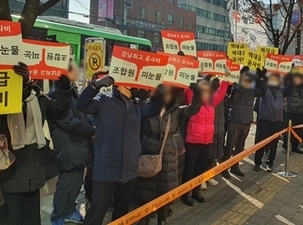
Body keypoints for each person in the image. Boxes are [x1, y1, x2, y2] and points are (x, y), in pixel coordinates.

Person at [77, 73, 164, 224]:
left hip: (129, 170)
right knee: (96, 214)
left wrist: (160, 96)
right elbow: (82, 105)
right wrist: (94, 85)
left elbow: (152, 110)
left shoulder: (137, 105)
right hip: (106, 170)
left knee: (122, 215)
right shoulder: (104, 100)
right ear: (126, 84)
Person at [0, 63, 72, 225]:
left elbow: (59, 107)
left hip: (33, 172)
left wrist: (66, 86)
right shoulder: (5, 100)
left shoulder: (39, 98)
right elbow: (15, 107)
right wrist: (21, 88)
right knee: (11, 219)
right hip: (10, 173)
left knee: (32, 219)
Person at [138, 83, 202, 225]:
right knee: (146, 188)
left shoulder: (176, 110)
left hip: (168, 152)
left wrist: (197, 94)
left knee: (166, 189)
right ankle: (144, 218)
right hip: (149, 150)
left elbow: (193, 109)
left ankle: (162, 219)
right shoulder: (145, 106)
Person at [47, 60, 96, 225]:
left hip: (77, 146)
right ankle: (57, 215)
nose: (77, 71)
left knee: (75, 182)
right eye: (73, 69)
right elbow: (68, 122)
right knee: (66, 182)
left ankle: (68, 210)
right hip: (68, 147)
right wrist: (92, 130)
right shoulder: (56, 94)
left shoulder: (71, 91)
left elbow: (80, 114)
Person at [181, 75, 229, 206]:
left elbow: (222, 92)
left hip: (206, 141)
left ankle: (196, 191)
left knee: (200, 169)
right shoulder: (194, 100)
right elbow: (189, 91)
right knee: (189, 169)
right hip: (193, 141)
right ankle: (185, 194)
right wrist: (195, 87)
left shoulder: (212, 102)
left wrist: (226, 80)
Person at [222, 68, 266, 178]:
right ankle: (224, 168)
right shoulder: (236, 85)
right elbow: (229, 102)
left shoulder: (252, 87)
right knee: (230, 145)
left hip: (246, 121)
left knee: (240, 147)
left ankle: (234, 166)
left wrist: (262, 78)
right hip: (235, 119)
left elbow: (262, 91)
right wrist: (235, 90)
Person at [253, 72, 294, 172]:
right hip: (265, 119)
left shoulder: (281, 89)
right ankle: (257, 162)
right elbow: (256, 88)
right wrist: (260, 76)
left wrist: (290, 77)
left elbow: (290, 90)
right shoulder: (264, 88)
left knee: (274, 144)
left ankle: (270, 163)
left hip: (277, 120)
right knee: (261, 142)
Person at [202, 77, 228, 189]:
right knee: (205, 156)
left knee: (214, 156)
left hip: (220, 128)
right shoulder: (207, 95)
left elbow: (228, 100)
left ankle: (209, 176)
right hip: (209, 129)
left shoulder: (221, 93)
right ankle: (201, 179)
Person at [283, 66, 303, 154]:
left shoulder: (302, 85)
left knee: (299, 130)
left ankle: (295, 146)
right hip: (290, 110)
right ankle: (285, 145)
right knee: (288, 130)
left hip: (300, 111)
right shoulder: (289, 82)